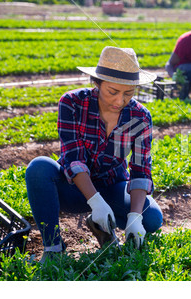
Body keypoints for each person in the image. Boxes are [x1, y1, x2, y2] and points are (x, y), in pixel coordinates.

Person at [25, 46, 163, 263]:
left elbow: (140, 169)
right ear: (97, 83)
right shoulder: (72, 103)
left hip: (111, 186)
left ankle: (100, 225)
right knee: (39, 168)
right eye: (113, 92)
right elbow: (74, 157)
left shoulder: (140, 117)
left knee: (152, 218)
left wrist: (134, 217)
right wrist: (95, 201)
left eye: (128, 93)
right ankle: (53, 249)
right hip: (74, 188)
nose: (120, 101)